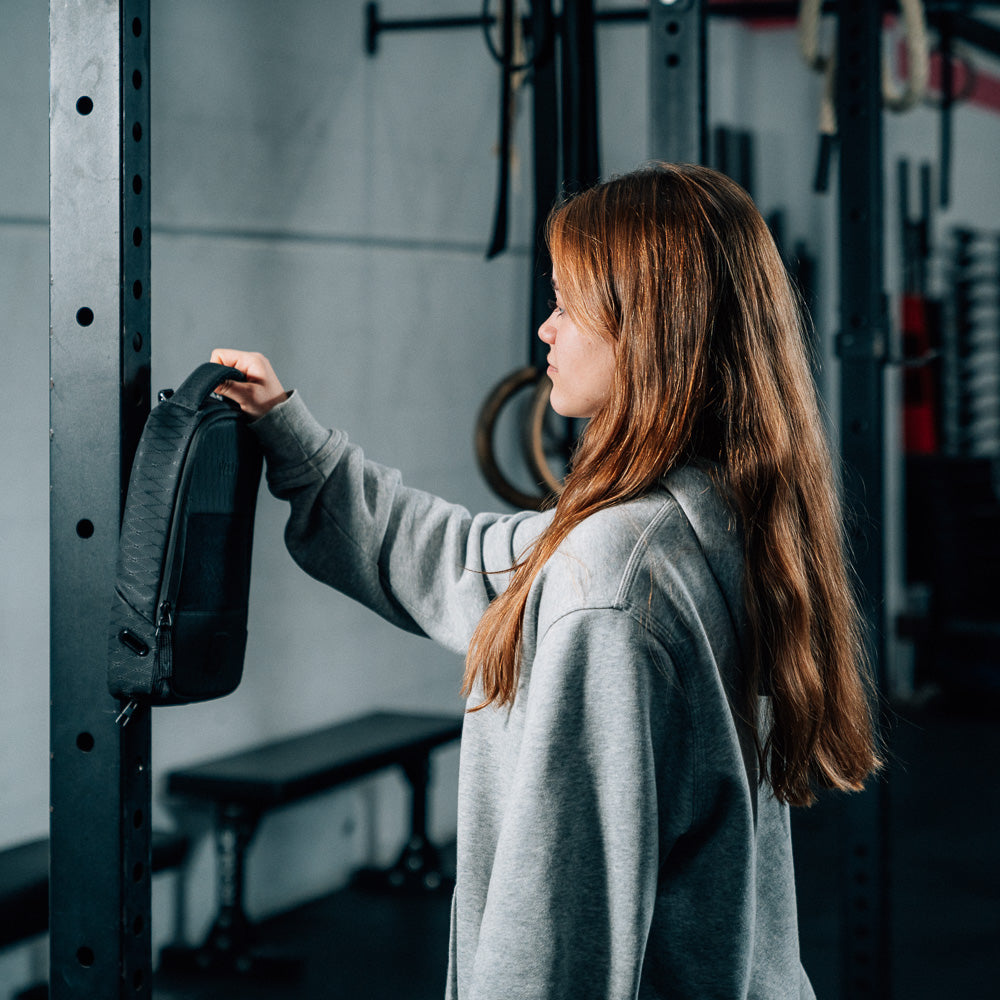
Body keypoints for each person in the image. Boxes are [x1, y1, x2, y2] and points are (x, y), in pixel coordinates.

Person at [212, 162, 881, 1000]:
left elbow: (556, 938)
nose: (544, 328)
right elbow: (467, 556)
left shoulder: (612, 589)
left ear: (645, 329)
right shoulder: (710, 519)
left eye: (566, 304)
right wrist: (292, 436)